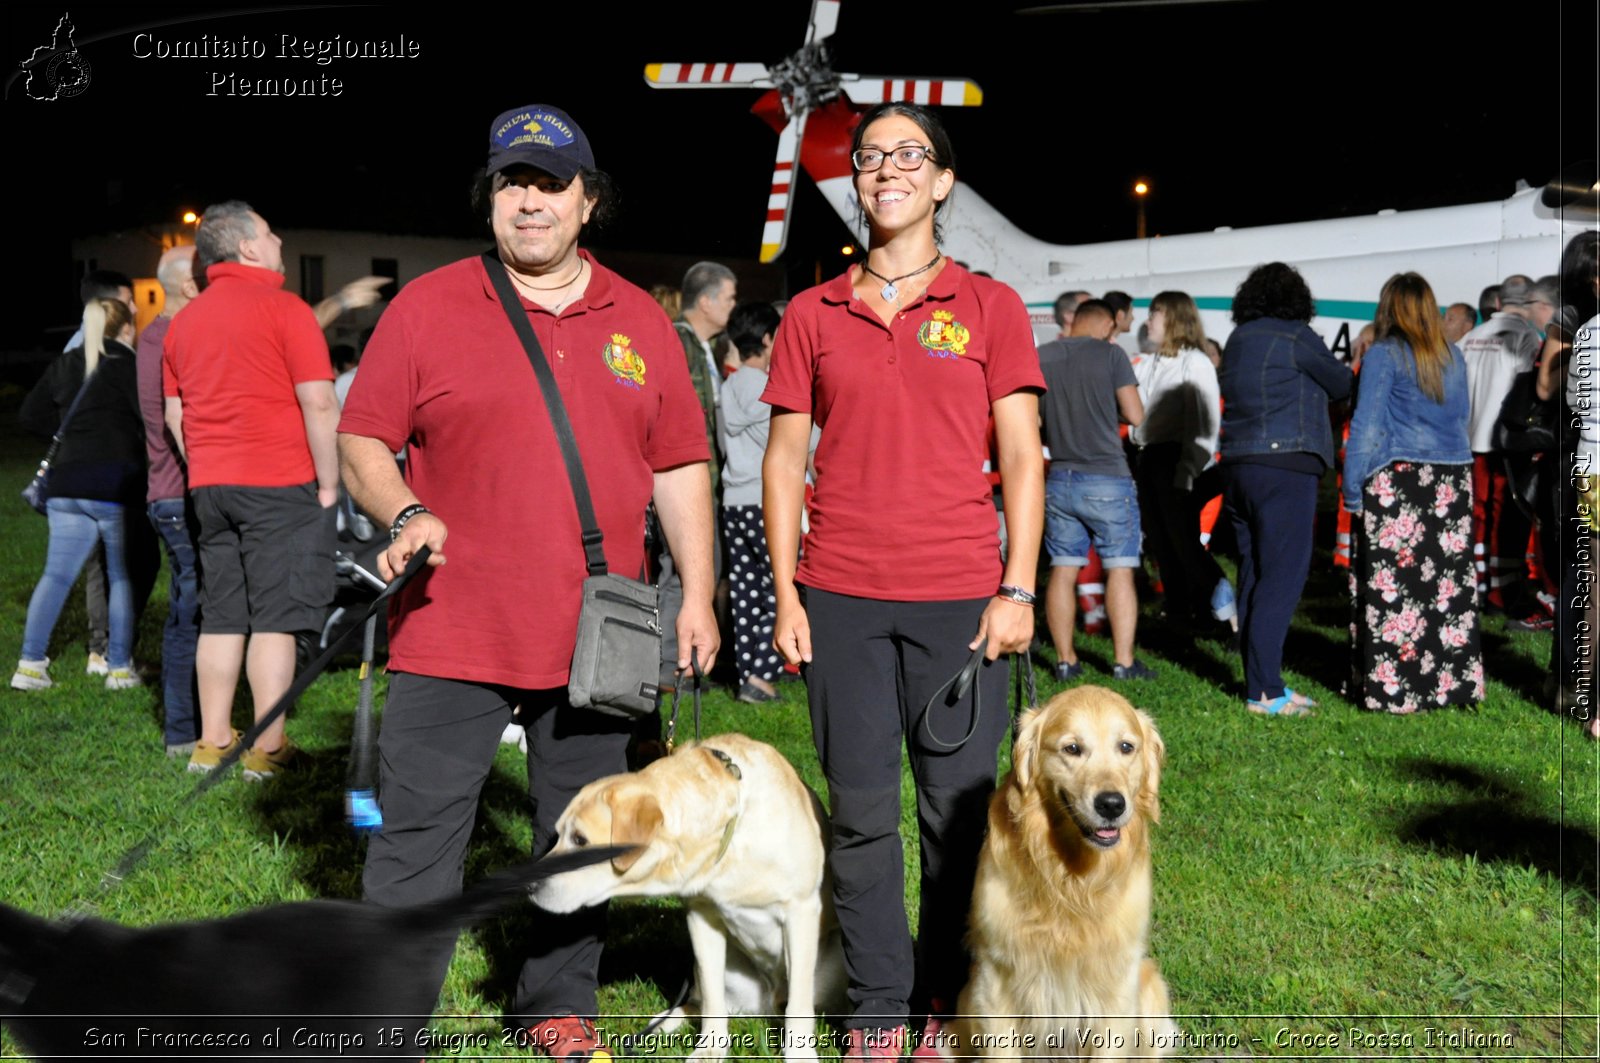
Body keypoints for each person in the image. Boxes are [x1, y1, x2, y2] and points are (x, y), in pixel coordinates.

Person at [337, 103, 716, 1060]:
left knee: (581, 839)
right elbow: (361, 439)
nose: (531, 201)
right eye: (514, 183)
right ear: (492, 198)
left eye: (551, 184)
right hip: (449, 626)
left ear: (588, 202)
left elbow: (680, 468)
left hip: (597, 635)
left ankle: (557, 1003)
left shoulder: (641, 320)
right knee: (417, 840)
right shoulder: (428, 305)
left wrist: (700, 596)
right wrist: (405, 511)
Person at [762, 100, 1044, 1061]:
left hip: (960, 601)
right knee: (860, 812)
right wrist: (789, 593)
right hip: (838, 595)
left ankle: (943, 1000)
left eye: (908, 155)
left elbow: (1022, 456)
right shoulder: (813, 311)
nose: (885, 169)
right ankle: (878, 1009)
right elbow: (783, 457)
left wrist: (1019, 587)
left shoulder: (989, 307)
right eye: (870, 156)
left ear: (944, 179)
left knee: (956, 817)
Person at [162, 201, 340, 779]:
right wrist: (330, 482)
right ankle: (267, 750)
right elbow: (318, 401)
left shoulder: (183, 321)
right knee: (275, 617)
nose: (279, 238)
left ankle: (211, 743)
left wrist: (207, 464)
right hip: (277, 483)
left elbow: (173, 413)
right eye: (268, 231)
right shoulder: (285, 310)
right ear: (247, 248)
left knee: (221, 615)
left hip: (209, 488)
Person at [1342, 273, 1483, 713]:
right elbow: (1463, 417)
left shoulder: (1385, 354)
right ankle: (1451, 685)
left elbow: (1366, 426)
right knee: (1447, 590)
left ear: (1388, 308)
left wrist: (1350, 489)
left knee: (1396, 592)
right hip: (1450, 480)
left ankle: (1396, 689)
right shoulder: (1453, 355)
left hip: (1398, 480)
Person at [1217, 262, 1352, 716]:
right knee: (1282, 579)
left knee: (1253, 575)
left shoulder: (1238, 339)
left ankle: (1259, 685)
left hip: (1238, 465)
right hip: (1285, 466)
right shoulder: (1296, 335)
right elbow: (1340, 383)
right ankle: (1268, 693)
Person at [14, 298, 146, 692]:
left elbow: (29, 415)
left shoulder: (65, 363)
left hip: (66, 483)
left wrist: (73, 437)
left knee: (56, 575)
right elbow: (148, 418)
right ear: (125, 329)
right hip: (114, 482)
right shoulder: (130, 366)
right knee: (122, 576)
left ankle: (30, 664)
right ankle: (119, 668)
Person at [1039, 300, 1154, 680]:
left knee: (1063, 567)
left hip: (1060, 476)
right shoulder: (1111, 354)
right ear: (1106, 323)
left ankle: (1065, 660)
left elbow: (1036, 417)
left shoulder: (1042, 356)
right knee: (1119, 567)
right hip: (1107, 477)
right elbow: (1136, 415)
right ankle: (1123, 662)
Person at [1129, 290, 1228, 633]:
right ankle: (1180, 617)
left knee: (1184, 545)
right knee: (1163, 545)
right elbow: (1138, 415)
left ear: (1173, 319)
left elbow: (1206, 423)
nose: (1148, 321)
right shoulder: (1152, 362)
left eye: (1155, 314)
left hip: (1177, 462)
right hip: (1150, 459)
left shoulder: (1195, 362)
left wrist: (1187, 472)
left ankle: (1223, 612)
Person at [136, 246, 202, 754]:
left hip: (172, 495)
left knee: (194, 609)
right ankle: (182, 731)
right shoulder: (166, 338)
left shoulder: (160, 336)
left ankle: (197, 722)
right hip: (178, 496)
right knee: (190, 612)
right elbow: (179, 423)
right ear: (187, 286)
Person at [717, 300, 792, 704]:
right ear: (766, 338)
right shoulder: (767, 388)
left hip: (733, 500)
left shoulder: (729, 386)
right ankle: (764, 674)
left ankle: (749, 675)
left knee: (745, 591)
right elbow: (786, 444)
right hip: (764, 500)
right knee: (781, 586)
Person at [1458, 274, 1543, 620]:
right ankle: (1501, 591)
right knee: (1506, 520)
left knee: (1474, 516)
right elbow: (1527, 391)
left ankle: (1472, 584)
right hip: (1505, 443)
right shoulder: (1526, 338)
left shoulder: (1470, 337)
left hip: (1468, 440)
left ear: (1496, 302)